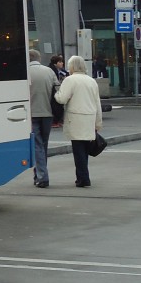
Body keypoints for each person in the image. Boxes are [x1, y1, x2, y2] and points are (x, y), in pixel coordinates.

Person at [54, 55, 103, 187]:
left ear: (72, 67)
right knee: (85, 149)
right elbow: (97, 103)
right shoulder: (91, 81)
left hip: (76, 118)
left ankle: (83, 178)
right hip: (90, 117)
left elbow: (62, 99)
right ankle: (83, 176)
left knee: (78, 150)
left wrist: (56, 93)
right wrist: (98, 123)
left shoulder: (70, 80)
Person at [27, 49, 57, 188]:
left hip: (32, 114)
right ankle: (38, 173)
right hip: (48, 113)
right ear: (39, 59)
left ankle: (42, 177)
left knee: (37, 146)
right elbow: (58, 90)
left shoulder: (26, 73)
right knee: (43, 145)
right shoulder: (49, 71)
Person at [48, 54, 67, 127]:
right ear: (55, 63)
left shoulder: (61, 71)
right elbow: (56, 82)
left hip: (56, 90)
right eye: (60, 62)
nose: (62, 63)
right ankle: (55, 121)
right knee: (56, 106)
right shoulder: (52, 70)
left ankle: (57, 121)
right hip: (54, 90)